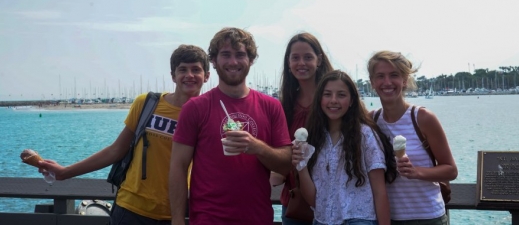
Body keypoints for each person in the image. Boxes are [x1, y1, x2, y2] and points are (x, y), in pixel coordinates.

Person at [38, 44, 211, 224]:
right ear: (173, 75)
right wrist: (65, 172)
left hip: (177, 214)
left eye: (196, 70)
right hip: (131, 208)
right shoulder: (147, 104)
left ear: (206, 76)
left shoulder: (207, 115)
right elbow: (116, 150)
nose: (189, 75)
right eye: (182, 69)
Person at [169, 27, 292, 225]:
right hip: (208, 219)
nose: (233, 62)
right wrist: (177, 220)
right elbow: (178, 167)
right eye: (225, 55)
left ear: (250, 60)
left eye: (240, 55)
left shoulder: (271, 106)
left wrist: (257, 147)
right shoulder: (195, 107)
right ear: (214, 62)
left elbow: (286, 165)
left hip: (258, 218)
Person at [292, 70, 397, 225]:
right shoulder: (314, 138)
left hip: (359, 220)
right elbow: (314, 200)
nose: (333, 100)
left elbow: (379, 192)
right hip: (321, 220)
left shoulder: (366, 135)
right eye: (327, 94)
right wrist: (301, 166)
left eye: (341, 95)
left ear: (352, 100)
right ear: (319, 99)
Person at [367, 51, 458, 224]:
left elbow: (451, 170)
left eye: (394, 75)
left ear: (404, 79)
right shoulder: (372, 121)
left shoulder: (422, 118)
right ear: (372, 82)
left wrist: (416, 172)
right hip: (388, 218)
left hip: (428, 217)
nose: (387, 82)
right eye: (380, 76)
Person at [272, 32, 334, 225]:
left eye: (308, 57)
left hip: (335, 198)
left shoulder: (333, 99)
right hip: (297, 203)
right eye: (295, 58)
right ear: (288, 63)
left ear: (319, 60)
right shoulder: (284, 106)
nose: (301, 63)